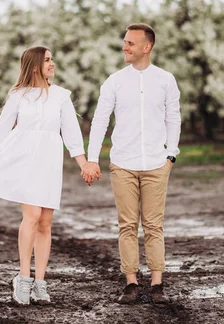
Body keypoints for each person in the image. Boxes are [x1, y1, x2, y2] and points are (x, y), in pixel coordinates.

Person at [0, 46, 87, 306]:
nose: (52, 63)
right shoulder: (18, 96)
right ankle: (23, 278)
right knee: (31, 217)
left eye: (52, 59)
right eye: (47, 60)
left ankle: (40, 283)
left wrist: (84, 164)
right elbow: (0, 131)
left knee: (45, 222)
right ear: (34, 66)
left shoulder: (61, 96)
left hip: (50, 163)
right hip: (25, 161)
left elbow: (72, 135)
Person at [82, 23, 181, 304]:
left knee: (153, 225)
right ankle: (132, 283)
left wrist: (170, 155)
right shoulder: (114, 81)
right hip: (123, 163)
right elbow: (100, 120)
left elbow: (173, 118)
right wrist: (92, 159)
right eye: (124, 42)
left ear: (146, 47)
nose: (125, 47)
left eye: (130, 43)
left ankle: (158, 284)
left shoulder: (165, 80)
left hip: (155, 163)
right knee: (127, 225)